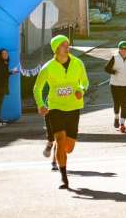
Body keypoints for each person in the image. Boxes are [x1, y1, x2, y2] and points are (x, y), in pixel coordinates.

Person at [34, 35, 89, 189]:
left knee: (68, 147)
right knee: (59, 138)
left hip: (73, 107)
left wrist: (81, 90)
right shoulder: (48, 67)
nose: (68, 47)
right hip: (55, 107)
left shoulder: (78, 63)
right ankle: (64, 178)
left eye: (68, 44)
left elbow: (84, 81)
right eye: (64, 45)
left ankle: (59, 149)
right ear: (56, 48)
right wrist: (40, 104)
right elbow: (37, 88)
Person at [104, 41, 126, 133]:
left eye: (125, 49)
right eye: (121, 49)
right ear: (119, 49)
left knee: (124, 104)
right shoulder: (114, 57)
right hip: (115, 84)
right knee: (117, 103)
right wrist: (114, 72)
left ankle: (122, 124)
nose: (123, 50)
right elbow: (106, 68)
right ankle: (116, 117)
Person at [0, 48, 17, 127]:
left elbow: (3, 73)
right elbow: (2, 74)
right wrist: (11, 72)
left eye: (6, 53)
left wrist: (10, 72)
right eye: (3, 54)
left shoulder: (4, 62)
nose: (5, 55)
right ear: (0, 55)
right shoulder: (1, 63)